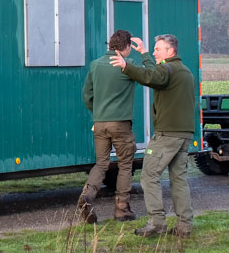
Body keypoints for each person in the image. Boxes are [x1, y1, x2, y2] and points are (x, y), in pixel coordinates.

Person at [112, 34, 197, 237]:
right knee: (179, 179)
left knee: (149, 176)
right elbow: (156, 73)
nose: (155, 52)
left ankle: (157, 223)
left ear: (170, 51)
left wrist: (126, 66)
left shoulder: (167, 69)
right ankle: (184, 226)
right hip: (184, 134)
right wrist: (143, 53)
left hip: (168, 135)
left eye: (158, 49)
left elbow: (151, 77)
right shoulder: (184, 71)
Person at [75, 29, 140, 224]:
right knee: (125, 164)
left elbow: (87, 95)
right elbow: (151, 72)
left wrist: (98, 114)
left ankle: (86, 197)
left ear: (110, 45)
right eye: (130, 48)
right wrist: (144, 52)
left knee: (101, 163)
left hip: (100, 123)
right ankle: (122, 209)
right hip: (120, 124)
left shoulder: (95, 65)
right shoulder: (127, 65)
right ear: (126, 47)